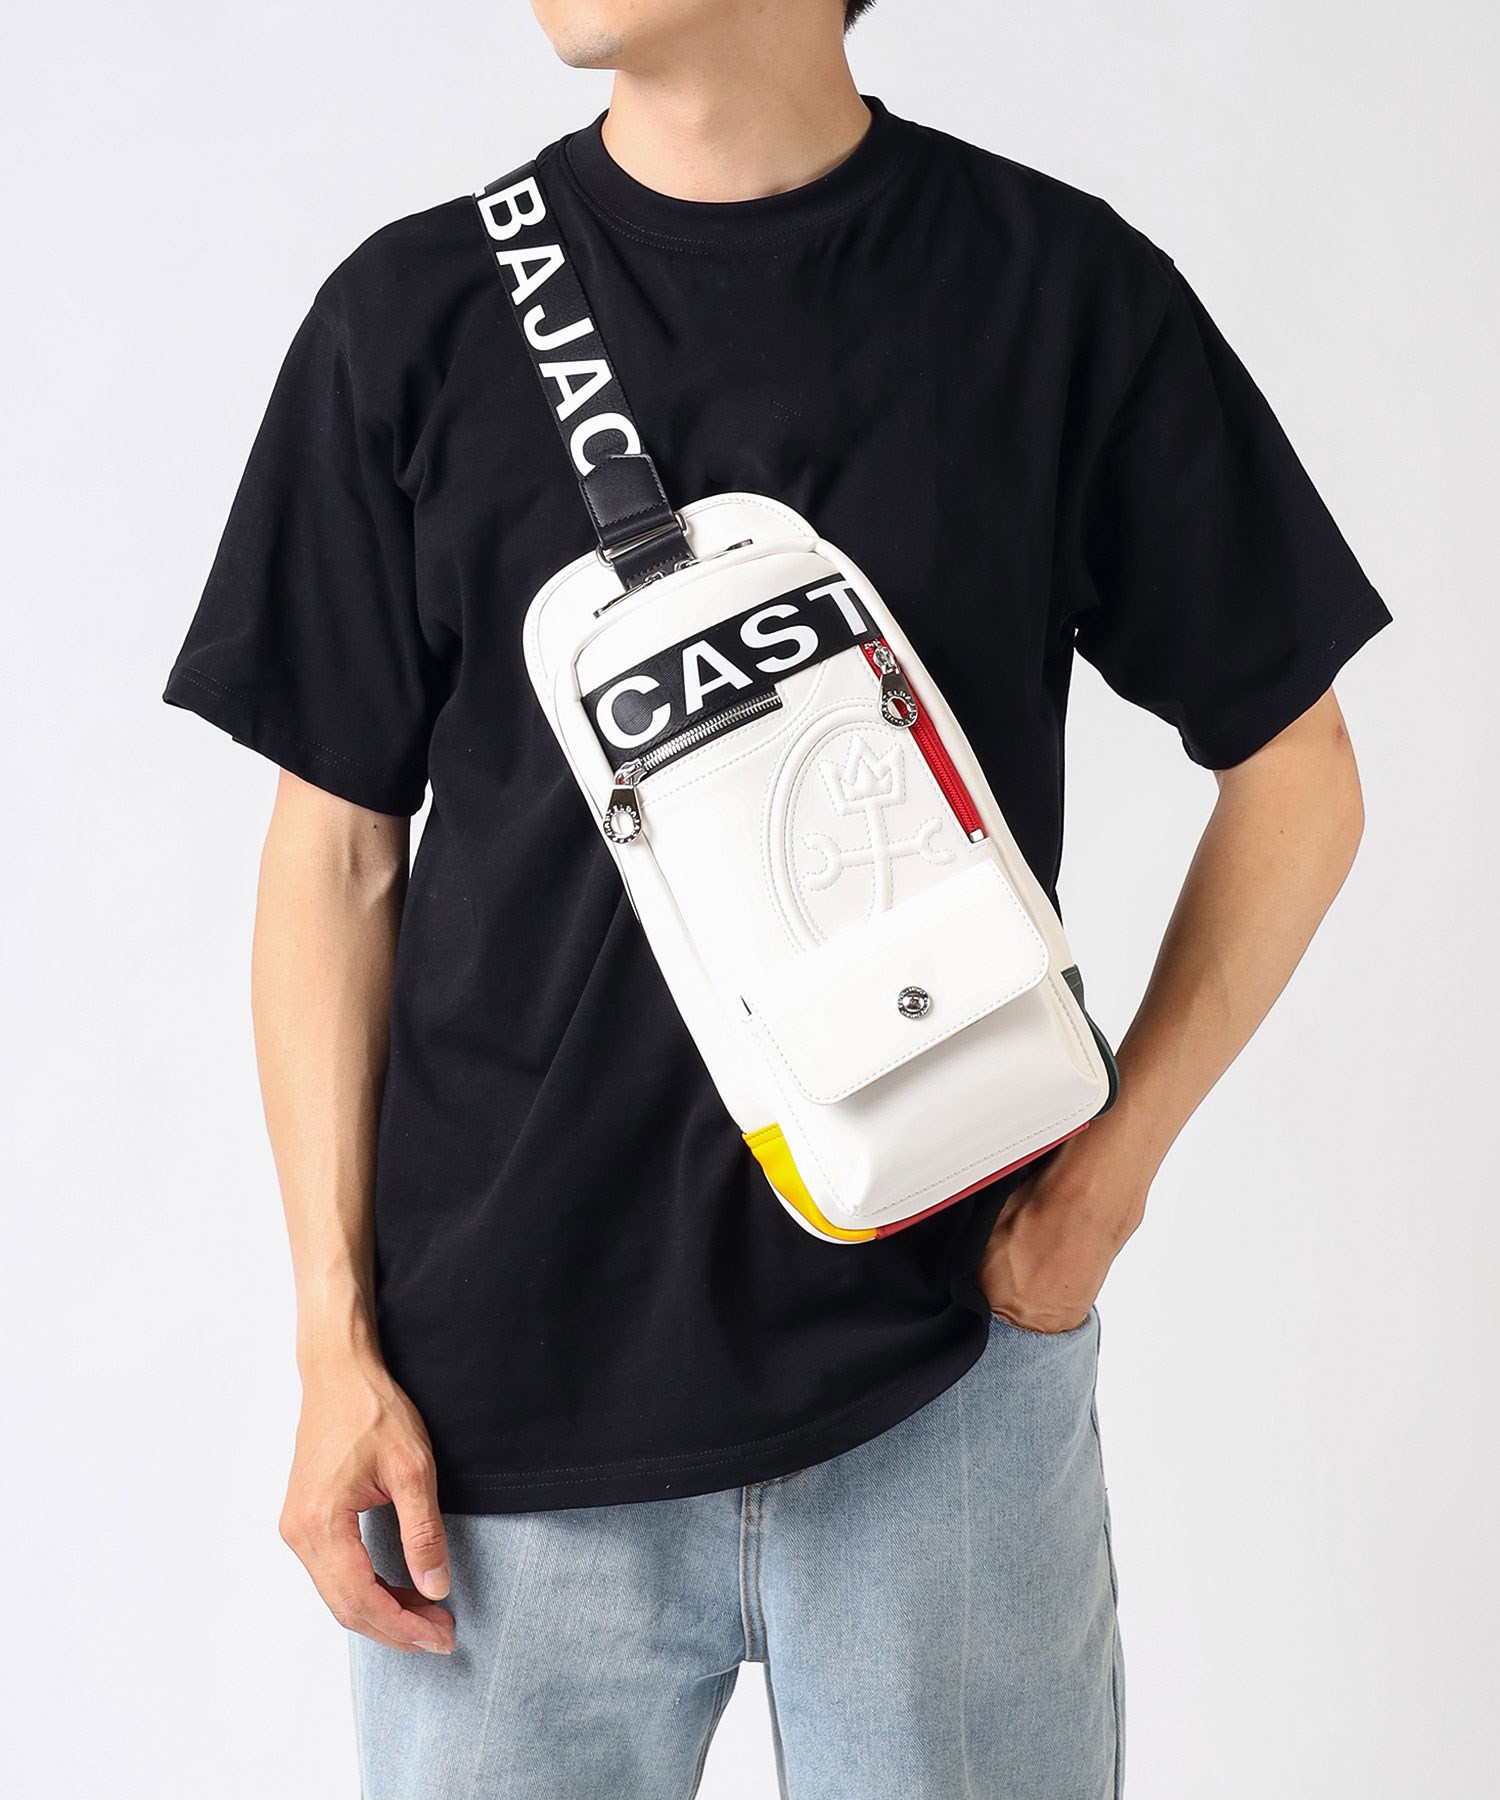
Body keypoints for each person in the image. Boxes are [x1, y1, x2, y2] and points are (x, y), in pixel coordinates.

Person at [163, 1, 1389, 1793]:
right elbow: (336, 854)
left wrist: (1101, 1192)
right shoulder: (413, 317)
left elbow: (1301, 776)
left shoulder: (1054, 291)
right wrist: (333, 1343)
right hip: (499, 1430)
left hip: (944, 1386)